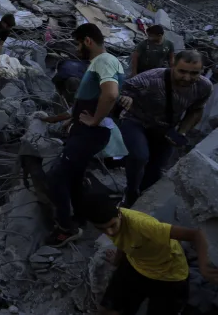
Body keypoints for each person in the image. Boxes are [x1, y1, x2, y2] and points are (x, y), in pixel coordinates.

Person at [46, 23, 124, 247]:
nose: (77, 48)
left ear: (88, 41)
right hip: (86, 131)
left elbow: (110, 94)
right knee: (75, 176)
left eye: (78, 43)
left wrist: (94, 120)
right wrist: (75, 116)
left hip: (89, 133)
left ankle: (66, 228)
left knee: (57, 177)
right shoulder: (101, 62)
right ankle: (80, 217)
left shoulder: (104, 61)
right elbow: (97, 95)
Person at [86, 193, 218, 315]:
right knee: (107, 309)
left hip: (168, 275)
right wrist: (116, 260)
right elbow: (123, 241)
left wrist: (204, 266)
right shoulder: (111, 225)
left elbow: (196, 234)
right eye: (102, 229)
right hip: (137, 264)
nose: (109, 232)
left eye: (112, 226)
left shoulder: (144, 226)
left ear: (119, 213)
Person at [117, 50, 212, 206]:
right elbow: (119, 88)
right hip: (136, 121)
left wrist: (181, 131)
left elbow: (196, 110)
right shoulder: (151, 78)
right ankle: (131, 193)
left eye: (194, 73)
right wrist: (125, 97)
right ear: (173, 65)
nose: (187, 78)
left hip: (165, 128)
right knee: (140, 156)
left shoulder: (203, 87)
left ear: (201, 71)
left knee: (156, 170)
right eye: (182, 71)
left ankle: (142, 202)